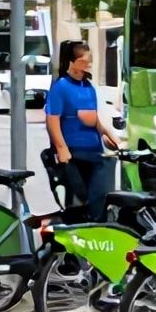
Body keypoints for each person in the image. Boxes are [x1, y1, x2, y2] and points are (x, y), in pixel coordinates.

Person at [45, 41, 119, 222]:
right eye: (84, 59)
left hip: (95, 151)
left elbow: (93, 119)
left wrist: (108, 135)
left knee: (99, 199)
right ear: (72, 62)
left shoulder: (88, 87)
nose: (89, 63)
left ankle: (97, 235)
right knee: (78, 203)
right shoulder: (61, 86)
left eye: (90, 59)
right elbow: (52, 119)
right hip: (74, 153)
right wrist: (62, 149)